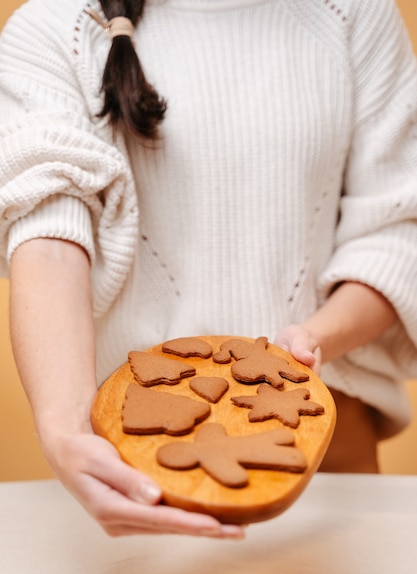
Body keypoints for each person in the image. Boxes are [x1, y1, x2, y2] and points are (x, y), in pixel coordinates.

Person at [1, 0, 417, 539]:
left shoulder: (351, 13)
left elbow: (394, 230)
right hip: (137, 456)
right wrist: (64, 428)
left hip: (321, 455)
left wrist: (311, 339)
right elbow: (49, 234)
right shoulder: (60, 25)